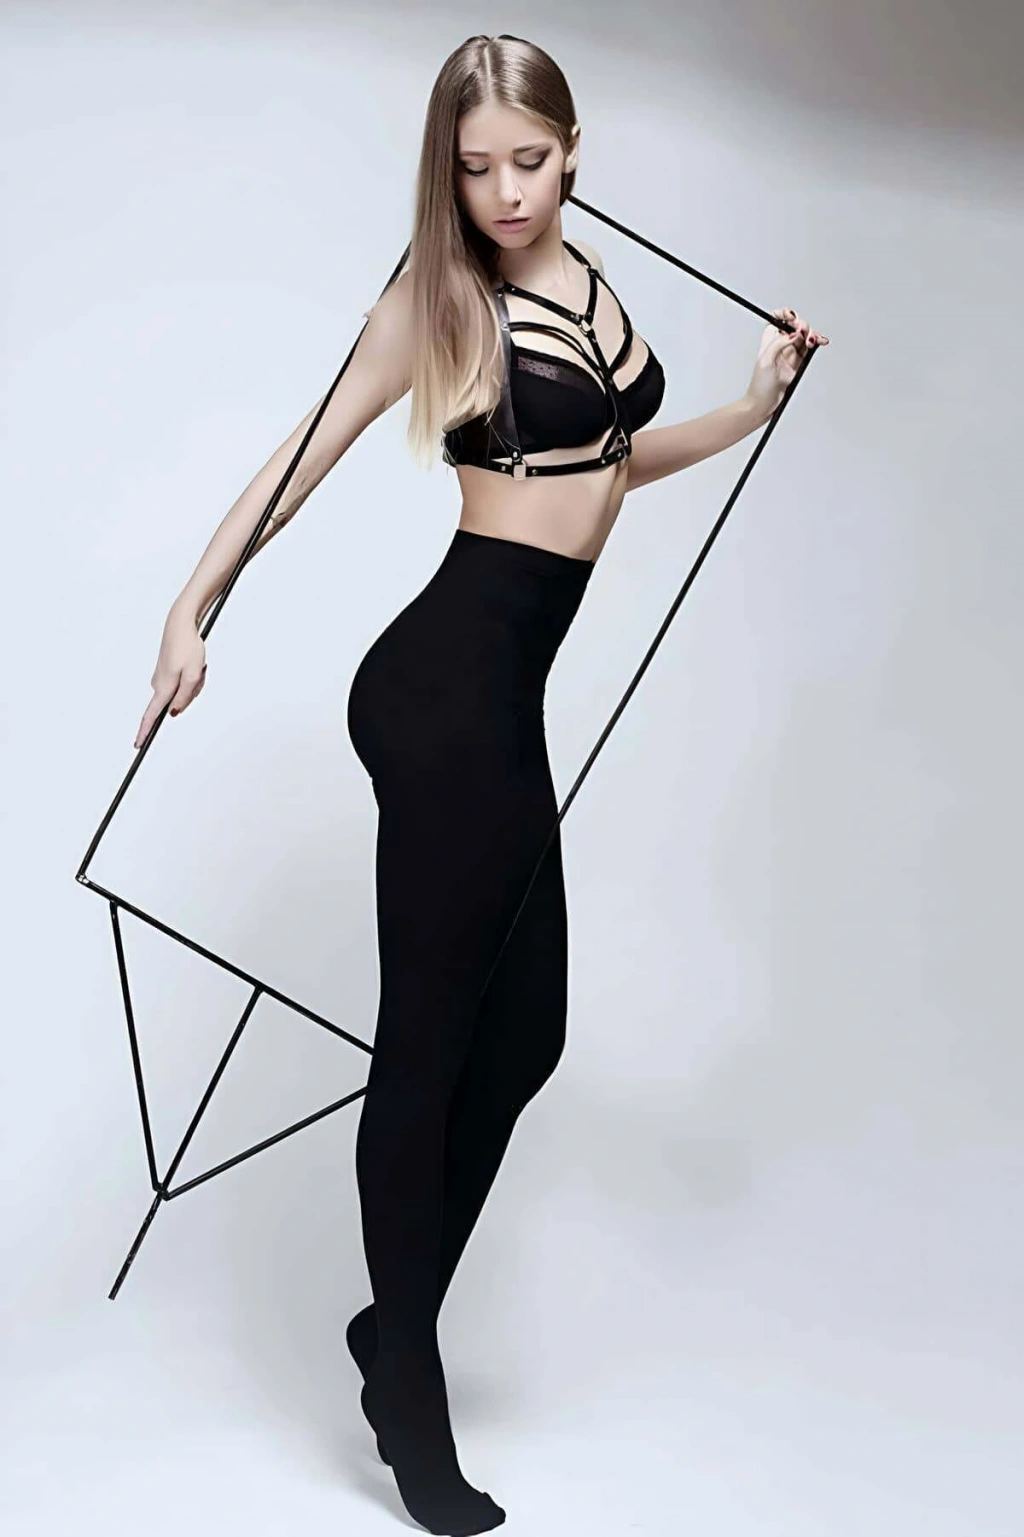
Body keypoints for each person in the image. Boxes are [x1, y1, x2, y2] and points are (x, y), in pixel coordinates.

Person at [133, 32, 827, 1537]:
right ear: (444, 173)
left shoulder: (590, 283)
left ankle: (389, 1327)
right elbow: (296, 461)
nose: (505, 191)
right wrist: (191, 610)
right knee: (430, 1050)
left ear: (572, 151)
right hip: (444, 693)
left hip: (501, 698)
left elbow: (606, 464)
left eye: (529, 159)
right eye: (475, 167)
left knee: (528, 1036)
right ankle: (410, 1393)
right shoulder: (433, 303)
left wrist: (750, 408)